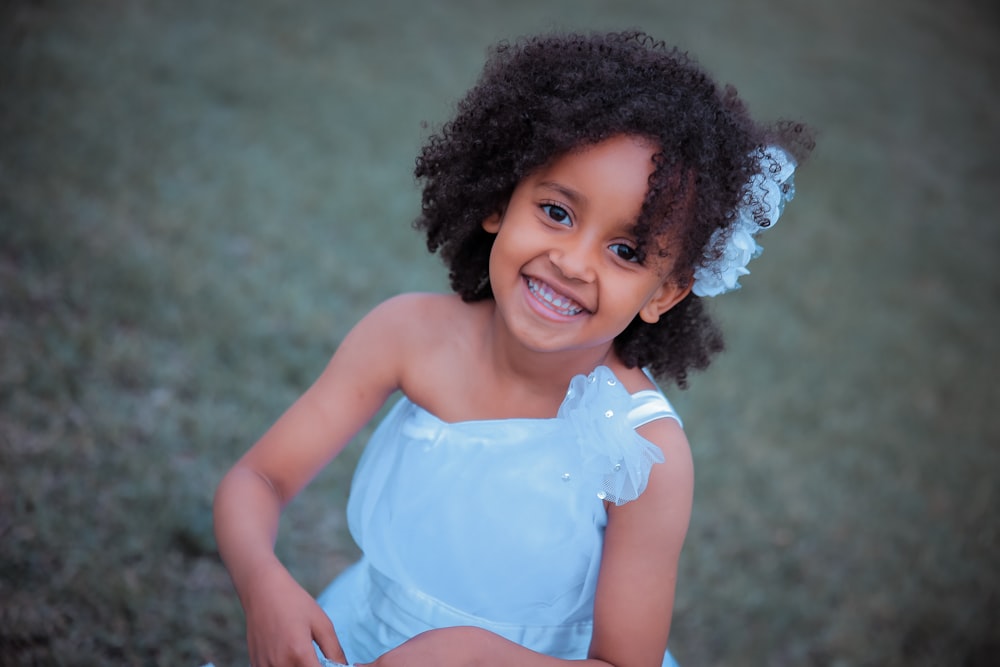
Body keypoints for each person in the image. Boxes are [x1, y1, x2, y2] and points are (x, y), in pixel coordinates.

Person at [213, 30, 812, 667]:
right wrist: (262, 582)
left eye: (627, 251)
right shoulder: (408, 335)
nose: (571, 262)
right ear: (501, 201)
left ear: (664, 293)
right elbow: (257, 478)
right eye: (556, 212)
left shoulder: (644, 455)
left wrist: (470, 656)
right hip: (359, 640)